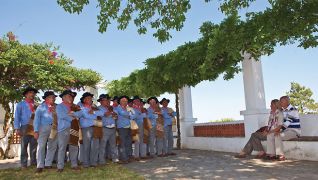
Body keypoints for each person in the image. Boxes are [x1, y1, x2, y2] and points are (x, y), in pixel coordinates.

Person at [56, 90, 82, 172]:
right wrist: (73, 117)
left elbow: (80, 114)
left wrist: (72, 114)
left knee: (74, 146)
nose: (71, 97)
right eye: (69, 96)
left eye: (71, 96)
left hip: (74, 128)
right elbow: (61, 115)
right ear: (63, 98)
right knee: (62, 148)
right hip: (63, 129)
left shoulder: (75, 106)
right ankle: (60, 166)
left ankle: (74, 164)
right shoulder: (59, 106)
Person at [14, 87, 39, 169]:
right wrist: (17, 128)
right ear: (26, 94)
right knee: (24, 146)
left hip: (35, 127)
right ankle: (23, 164)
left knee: (34, 146)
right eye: (30, 92)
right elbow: (17, 117)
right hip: (24, 127)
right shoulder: (20, 104)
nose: (32, 94)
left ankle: (33, 162)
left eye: (33, 93)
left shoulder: (37, 105)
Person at [33, 91, 58, 173]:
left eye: (54, 97)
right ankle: (40, 165)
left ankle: (48, 164)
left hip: (54, 128)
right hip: (43, 128)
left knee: (52, 146)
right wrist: (36, 131)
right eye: (52, 97)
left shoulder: (56, 107)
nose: (54, 99)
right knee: (41, 146)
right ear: (46, 98)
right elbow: (36, 120)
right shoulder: (40, 107)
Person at [97, 94, 119, 164]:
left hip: (112, 128)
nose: (107, 101)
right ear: (101, 101)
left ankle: (114, 158)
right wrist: (111, 113)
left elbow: (116, 116)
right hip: (104, 128)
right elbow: (105, 114)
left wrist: (113, 113)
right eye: (105, 100)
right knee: (102, 145)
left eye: (108, 100)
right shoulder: (99, 108)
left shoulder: (110, 108)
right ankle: (101, 160)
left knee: (113, 145)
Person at [116, 95, 135, 164]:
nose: (125, 102)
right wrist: (129, 114)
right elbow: (123, 114)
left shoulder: (128, 108)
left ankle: (127, 157)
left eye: (126, 101)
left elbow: (134, 115)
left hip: (129, 127)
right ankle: (123, 158)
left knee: (128, 143)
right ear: (120, 102)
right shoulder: (117, 108)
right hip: (121, 127)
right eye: (123, 101)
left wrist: (129, 115)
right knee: (122, 144)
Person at [132, 96, 147, 160]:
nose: (138, 102)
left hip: (141, 125)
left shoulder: (140, 108)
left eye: (139, 101)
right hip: (135, 125)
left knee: (141, 139)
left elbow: (144, 116)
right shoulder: (132, 109)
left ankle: (142, 154)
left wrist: (141, 113)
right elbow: (133, 117)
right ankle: (136, 156)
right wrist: (140, 114)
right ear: (134, 102)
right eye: (136, 101)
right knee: (136, 140)